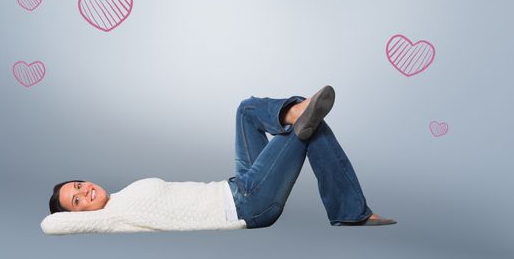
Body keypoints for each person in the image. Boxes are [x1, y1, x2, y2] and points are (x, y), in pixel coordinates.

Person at [48, 85, 396, 229]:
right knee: (307, 128)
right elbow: (53, 226)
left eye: (79, 185)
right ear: (77, 217)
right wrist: (65, 216)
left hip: (234, 185)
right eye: (77, 201)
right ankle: (351, 211)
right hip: (247, 204)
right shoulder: (115, 218)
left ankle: (294, 112)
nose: (85, 192)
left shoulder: (121, 197)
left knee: (247, 110)